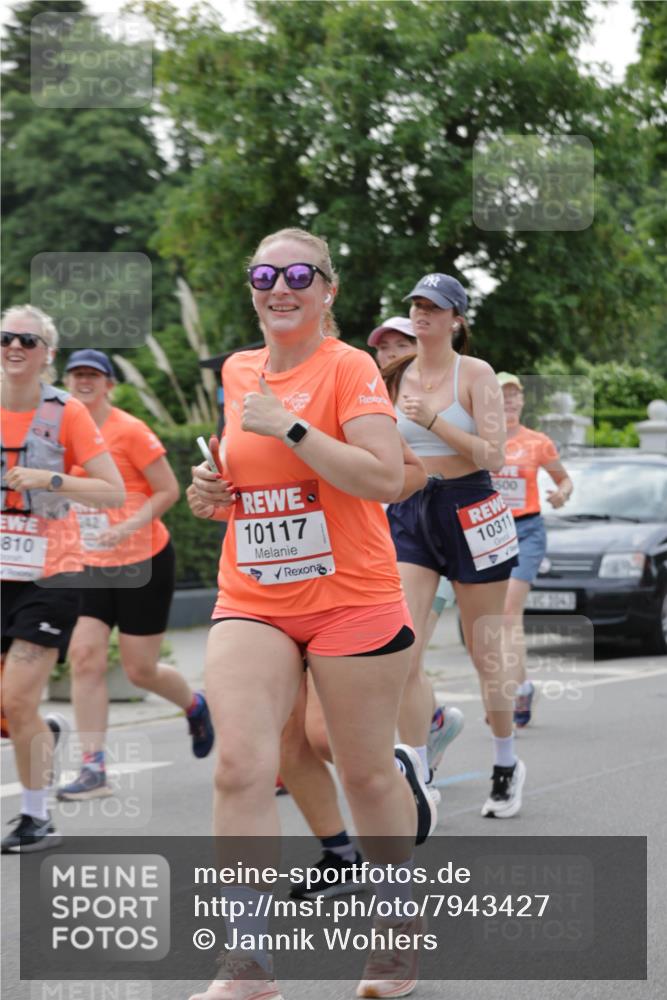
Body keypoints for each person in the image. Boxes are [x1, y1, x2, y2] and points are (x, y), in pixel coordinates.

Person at [187, 228, 436, 1000]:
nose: (279, 287)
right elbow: (247, 481)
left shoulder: (348, 367)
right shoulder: (238, 371)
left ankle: (396, 932)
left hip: (350, 597)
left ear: (328, 289)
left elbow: (384, 478)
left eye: (298, 274)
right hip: (254, 596)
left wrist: (291, 427)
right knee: (239, 766)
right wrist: (211, 491)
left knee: (361, 772)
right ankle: (248, 965)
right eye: (264, 275)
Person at [383, 272, 526, 819]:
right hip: (412, 508)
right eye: (417, 304)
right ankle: (418, 774)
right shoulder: (396, 375)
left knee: (485, 651)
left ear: (456, 319)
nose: (422, 313)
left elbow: (494, 455)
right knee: (402, 648)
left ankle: (506, 761)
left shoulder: (476, 373)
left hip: (471, 506)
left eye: (435, 306)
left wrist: (435, 421)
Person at [56, 350, 213, 801]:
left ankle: (195, 705)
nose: (84, 381)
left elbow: (168, 490)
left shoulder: (130, 430)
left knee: (139, 670)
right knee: (84, 656)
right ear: (67, 383)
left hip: (144, 560)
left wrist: (126, 526)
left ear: (109, 384)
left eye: (93, 375)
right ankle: (93, 767)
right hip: (91, 563)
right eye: (76, 375)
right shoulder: (61, 434)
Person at [0, 306, 124, 852]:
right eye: (6, 338)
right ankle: (42, 733)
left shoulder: (66, 412)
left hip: (50, 574)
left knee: (17, 698)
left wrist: (50, 478)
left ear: (47, 353)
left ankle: (37, 817)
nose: (15, 347)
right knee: (12, 707)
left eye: (27, 340)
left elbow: (113, 491)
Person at [369, 316, 465, 800]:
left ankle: (418, 772)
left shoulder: (446, 395)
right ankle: (434, 721)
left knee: (408, 658)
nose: (389, 353)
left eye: (400, 343)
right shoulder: (370, 403)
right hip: (386, 546)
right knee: (401, 661)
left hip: (435, 541)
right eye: (382, 346)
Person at [493, 372, 573, 727]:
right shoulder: (480, 442)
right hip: (488, 533)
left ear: (523, 400)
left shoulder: (538, 442)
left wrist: (562, 494)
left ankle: (508, 693)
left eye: (514, 395)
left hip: (527, 531)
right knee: (498, 618)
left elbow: (564, 479)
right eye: (502, 395)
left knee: (509, 612)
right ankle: (523, 686)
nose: (509, 401)